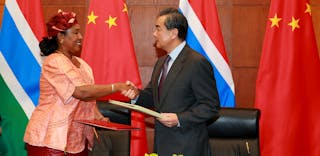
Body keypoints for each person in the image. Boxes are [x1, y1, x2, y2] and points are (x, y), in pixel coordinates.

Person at [24, 9, 133, 156]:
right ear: (61, 37)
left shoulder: (83, 65)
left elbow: (88, 99)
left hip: (77, 140)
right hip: (50, 140)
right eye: (75, 33)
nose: (80, 37)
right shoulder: (53, 62)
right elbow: (81, 92)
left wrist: (99, 117)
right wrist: (116, 87)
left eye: (80, 32)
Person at [125, 8, 220, 156]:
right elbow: (153, 98)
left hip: (188, 147)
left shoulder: (196, 63)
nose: (154, 34)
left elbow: (211, 106)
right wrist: (136, 95)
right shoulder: (161, 62)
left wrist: (179, 119)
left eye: (158, 29)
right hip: (162, 146)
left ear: (173, 33)